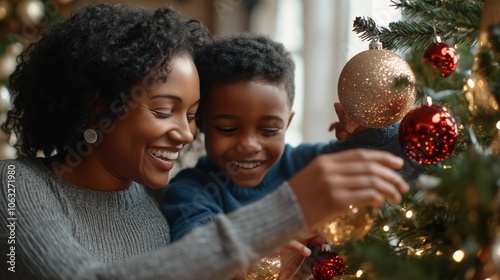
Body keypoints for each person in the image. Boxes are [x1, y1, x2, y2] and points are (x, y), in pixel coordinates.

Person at [0, 4, 410, 280]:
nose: (184, 133)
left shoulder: (155, 205)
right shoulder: (17, 185)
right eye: (163, 110)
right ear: (97, 106)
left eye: (193, 115)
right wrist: (287, 210)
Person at [161, 33, 423, 278]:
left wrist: (372, 130)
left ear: (287, 123)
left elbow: (406, 158)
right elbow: (195, 258)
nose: (249, 145)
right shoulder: (190, 191)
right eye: (228, 129)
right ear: (203, 124)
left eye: (268, 129)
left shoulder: (312, 166)